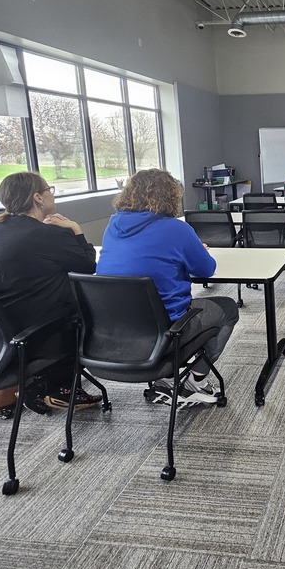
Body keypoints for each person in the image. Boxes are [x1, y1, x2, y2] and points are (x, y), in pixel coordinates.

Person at [97, 169, 239, 406]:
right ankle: (196, 381)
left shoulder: (113, 227)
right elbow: (206, 270)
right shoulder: (177, 229)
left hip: (114, 333)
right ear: (170, 196)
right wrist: (198, 251)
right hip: (164, 333)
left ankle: (167, 380)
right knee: (227, 308)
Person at [0, 171, 99, 416]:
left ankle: (46, 384)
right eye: (50, 189)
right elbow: (88, 265)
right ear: (38, 198)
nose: (52, 193)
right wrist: (75, 228)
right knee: (81, 311)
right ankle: (55, 387)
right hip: (33, 334)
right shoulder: (50, 234)